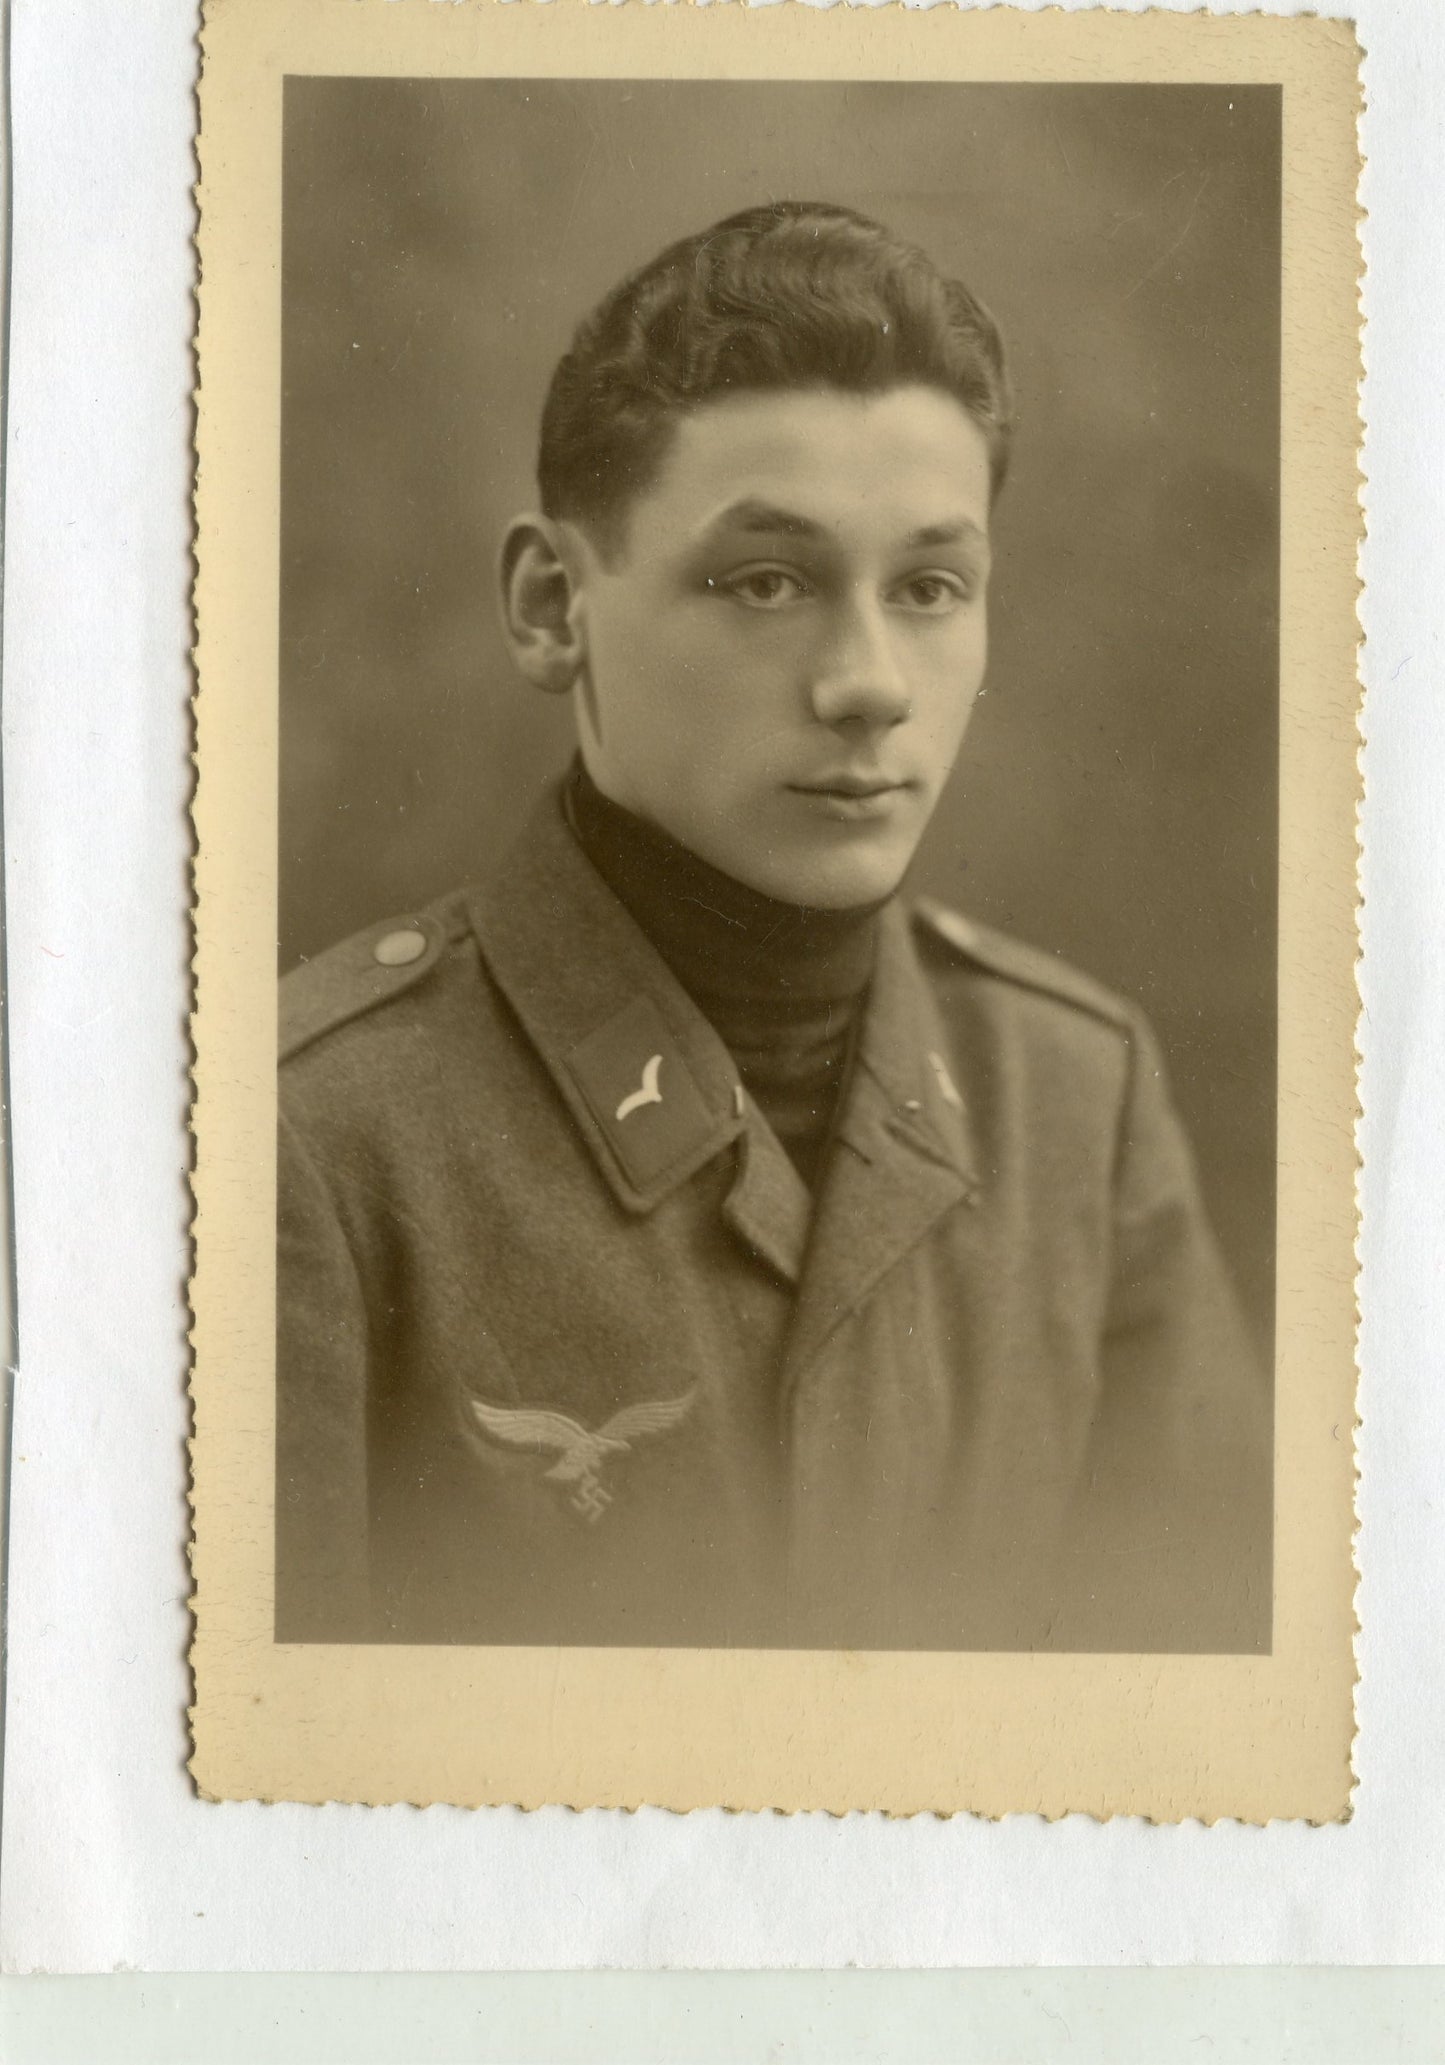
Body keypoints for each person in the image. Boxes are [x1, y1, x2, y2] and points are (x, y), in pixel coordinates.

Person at [276, 201, 1271, 1652]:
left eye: (930, 586)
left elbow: (1192, 1749)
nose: (869, 681)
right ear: (553, 605)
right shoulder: (313, 1136)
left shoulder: (1074, 1095)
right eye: (765, 581)